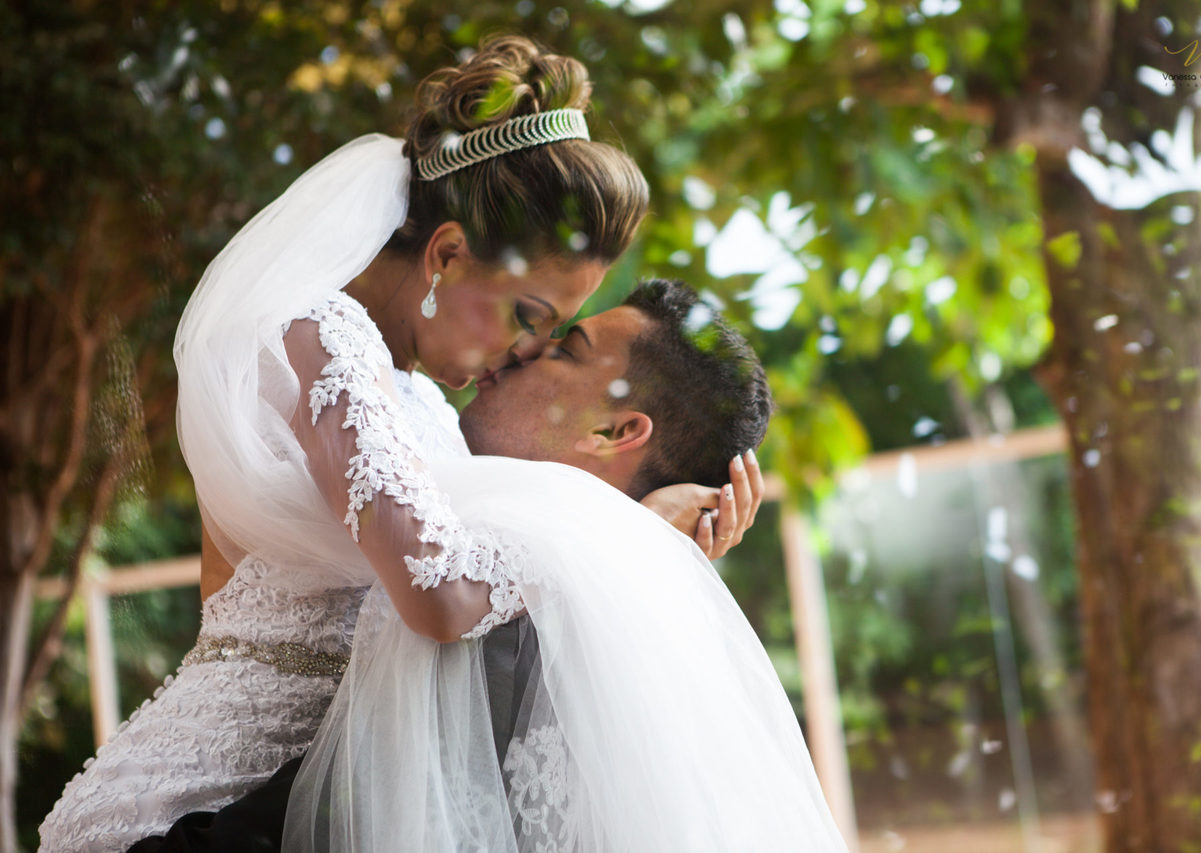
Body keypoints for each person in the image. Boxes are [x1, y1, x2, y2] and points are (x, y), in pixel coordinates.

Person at [38, 38, 756, 853]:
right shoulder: (321, 335)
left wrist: (666, 550)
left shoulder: (422, 403)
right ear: (448, 253)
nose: (523, 350)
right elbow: (442, 598)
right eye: (526, 316)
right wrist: (636, 537)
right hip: (185, 815)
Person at [129, 280, 846, 852]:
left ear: (614, 430)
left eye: (565, 348)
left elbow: (320, 818)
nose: (520, 349)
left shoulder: (514, 626)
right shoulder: (461, 528)